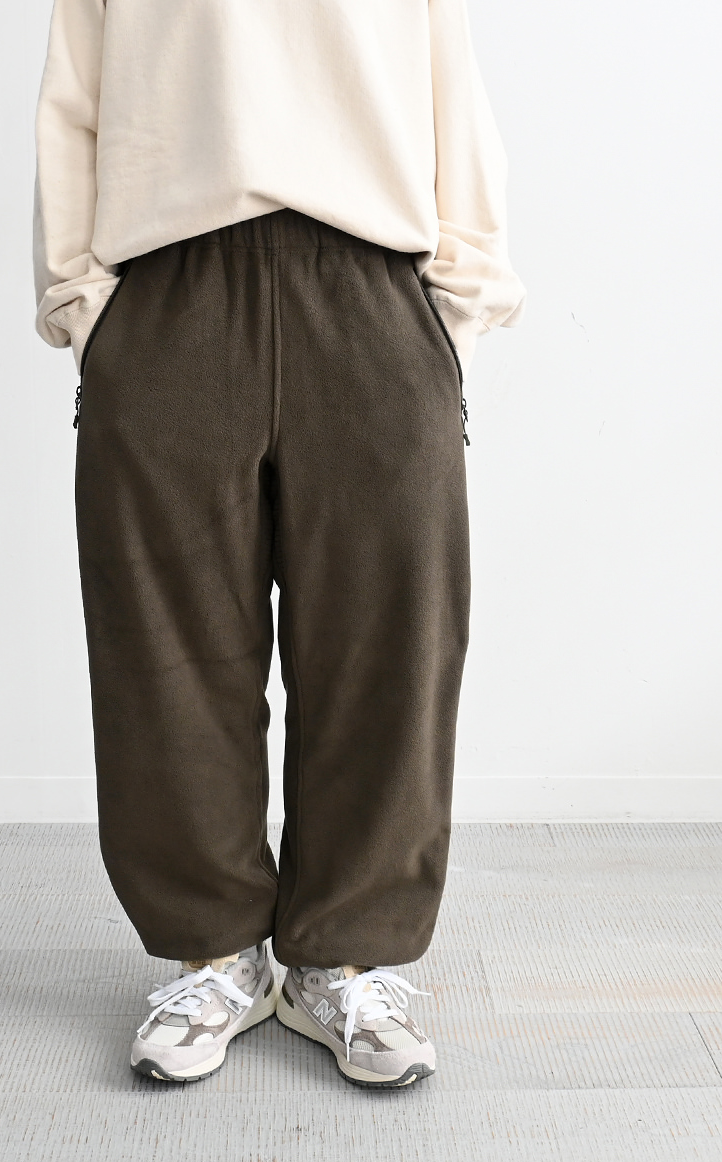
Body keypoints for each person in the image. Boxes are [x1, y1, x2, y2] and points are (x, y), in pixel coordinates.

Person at [33, 0, 525, 1089]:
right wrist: (88, 307)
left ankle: (342, 957)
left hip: (372, 285)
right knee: (166, 652)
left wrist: (453, 312)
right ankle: (213, 955)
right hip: (167, 285)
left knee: (388, 645)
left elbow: (450, 87)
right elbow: (75, 97)